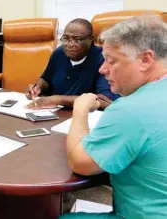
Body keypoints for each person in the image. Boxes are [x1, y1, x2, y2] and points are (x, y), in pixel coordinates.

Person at [61, 16, 167, 219]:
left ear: (145, 59)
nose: (103, 69)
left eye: (111, 61)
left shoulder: (131, 110)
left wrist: (80, 109)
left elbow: (80, 163)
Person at [26, 19, 118, 110]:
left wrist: (58, 100)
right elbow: (46, 79)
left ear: (90, 40)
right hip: (54, 112)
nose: (69, 44)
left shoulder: (103, 59)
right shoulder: (59, 53)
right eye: (66, 38)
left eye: (77, 39)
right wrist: (38, 87)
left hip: (85, 115)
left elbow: (106, 101)